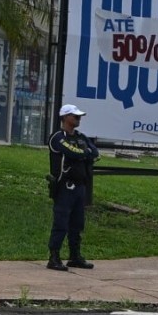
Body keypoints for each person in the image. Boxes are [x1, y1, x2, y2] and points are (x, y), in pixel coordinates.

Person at [46, 104, 100, 271]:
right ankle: (54, 257)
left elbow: (94, 152)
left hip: (80, 187)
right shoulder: (57, 137)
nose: (78, 119)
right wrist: (83, 153)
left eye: (79, 116)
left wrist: (83, 152)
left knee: (77, 224)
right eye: (75, 116)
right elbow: (72, 152)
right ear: (65, 117)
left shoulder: (81, 136)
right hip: (64, 187)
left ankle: (75, 256)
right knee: (61, 223)